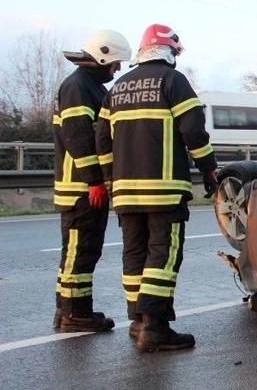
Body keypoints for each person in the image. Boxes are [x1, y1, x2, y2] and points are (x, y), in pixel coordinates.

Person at [96, 24, 218, 351]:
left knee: (134, 253)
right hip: (164, 189)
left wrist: (111, 182)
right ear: (168, 51)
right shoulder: (173, 82)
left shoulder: (116, 89)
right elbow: (193, 132)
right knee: (163, 255)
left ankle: (137, 321)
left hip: (124, 192)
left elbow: (102, 142)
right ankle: (155, 326)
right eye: (175, 52)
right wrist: (209, 169)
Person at [53, 29, 131, 332]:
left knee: (78, 251)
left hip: (82, 187)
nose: (117, 70)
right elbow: (79, 136)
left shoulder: (86, 86)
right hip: (82, 189)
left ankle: (65, 311)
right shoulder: (78, 87)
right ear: (101, 55)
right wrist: (94, 181)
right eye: (114, 64)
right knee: (80, 252)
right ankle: (76, 314)